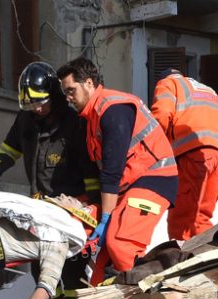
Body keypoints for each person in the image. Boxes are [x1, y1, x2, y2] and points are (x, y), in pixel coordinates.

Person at [56, 57, 178, 285]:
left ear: (89, 83)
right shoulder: (92, 117)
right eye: (65, 92)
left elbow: (111, 171)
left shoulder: (112, 109)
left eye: (71, 90)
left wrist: (104, 218)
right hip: (131, 186)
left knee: (121, 243)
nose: (68, 98)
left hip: (153, 180)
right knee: (101, 267)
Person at [0, 61, 99, 199]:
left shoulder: (74, 122)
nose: (36, 109)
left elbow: (89, 169)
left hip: (69, 203)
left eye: (41, 103)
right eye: (31, 104)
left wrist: (93, 201)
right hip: (38, 201)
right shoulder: (25, 120)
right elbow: (8, 151)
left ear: (54, 96)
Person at [150, 68, 218, 240]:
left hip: (194, 154)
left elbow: (161, 115)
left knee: (183, 219)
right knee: (200, 218)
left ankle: (181, 262)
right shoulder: (208, 90)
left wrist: (150, 150)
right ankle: (207, 260)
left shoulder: (167, 83)